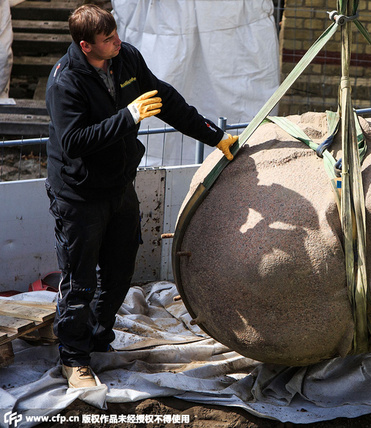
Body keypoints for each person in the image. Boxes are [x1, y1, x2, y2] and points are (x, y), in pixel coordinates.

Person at [45, 4, 237, 389]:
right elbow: (74, 142)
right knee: (80, 281)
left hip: (119, 185)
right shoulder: (66, 82)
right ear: (86, 46)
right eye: (107, 39)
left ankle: (97, 340)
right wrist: (128, 117)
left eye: (116, 34)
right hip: (79, 194)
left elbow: (163, 98)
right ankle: (74, 359)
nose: (117, 42)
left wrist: (215, 137)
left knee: (120, 274)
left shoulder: (125, 58)